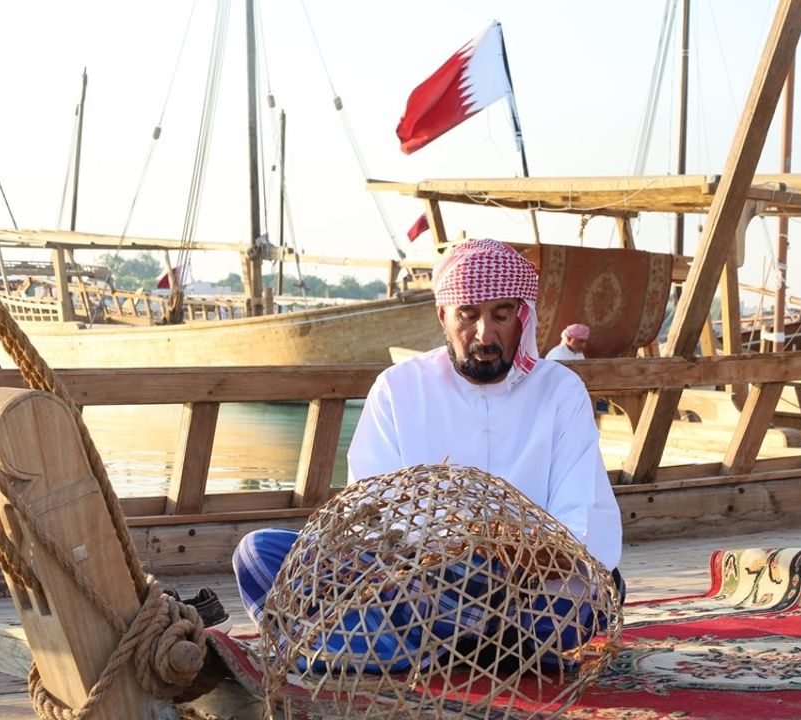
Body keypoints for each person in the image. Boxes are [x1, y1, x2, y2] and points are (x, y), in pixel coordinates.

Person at [233, 238, 623, 670]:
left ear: (521, 315)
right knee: (259, 553)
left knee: (571, 598)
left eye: (501, 315)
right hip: (414, 583)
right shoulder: (399, 388)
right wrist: (441, 554)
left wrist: (498, 553)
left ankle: (373, 647)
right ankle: (426, 643)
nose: (485, 334)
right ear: (443, 315)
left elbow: (579, 527)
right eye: (468, 315)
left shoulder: (560, 392)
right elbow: (367, 516)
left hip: (531, 595)